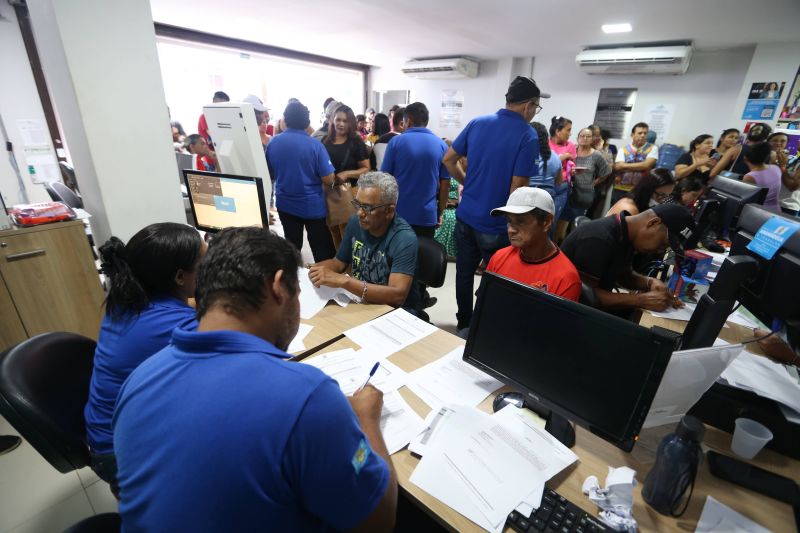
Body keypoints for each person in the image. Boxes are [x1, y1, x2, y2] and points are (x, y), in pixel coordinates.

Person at [113, 227, 397, 531]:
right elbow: (378, 523)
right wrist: (367, 419)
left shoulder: (139, 379)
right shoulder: (307, 397)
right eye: (298, 294)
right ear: (278, 287)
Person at [84, 223, 205, 495]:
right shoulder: (177, 325)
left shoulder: (128, 298)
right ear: (179, 277)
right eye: (204, 262)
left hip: (107, 433)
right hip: (120, 455)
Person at [442, 76, 546, 331]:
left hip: (466, 217)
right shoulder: (527, 135)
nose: (534, 113)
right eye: (536, 108)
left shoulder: (478, 123)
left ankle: (463, 322)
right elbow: (518, 188)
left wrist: (467, 182)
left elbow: (448, 159)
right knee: (495, 279)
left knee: (464, 274)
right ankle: (481, 327)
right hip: (496, 225)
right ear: (527, 105)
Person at [309, 172, 417, 309]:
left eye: (368, 208)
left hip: (393, 311)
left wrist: (345, 281)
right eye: (358, 204)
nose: (360, 213)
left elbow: (397, 296)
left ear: (389, 211)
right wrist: (314, 270)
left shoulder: (404, 239)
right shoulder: (356, 223)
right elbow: (339, 263)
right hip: (361, 300)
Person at [561, 203, 694, 313]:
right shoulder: (599, 239)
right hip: (566, 312)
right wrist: (641, 300)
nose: (661, 250)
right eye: (663, 244)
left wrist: (650, 283)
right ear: (653, 222)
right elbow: (584, 295)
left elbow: (623, 275)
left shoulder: (625, 234)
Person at [266, 101, 337, 261]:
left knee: (292, 247)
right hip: (312, 206)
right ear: (307, 121)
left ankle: (293, 280)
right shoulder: (315, 145)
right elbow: (328, 178)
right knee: (321, 249)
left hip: (285, 204)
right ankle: (323, 282)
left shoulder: (274, 142)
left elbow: (269, 172)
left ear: (286, 119)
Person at [487, 187, 581, 302]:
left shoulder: (566, 278)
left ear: (546, 222)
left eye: (521, 221)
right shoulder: (498, 258)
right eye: (509, 221)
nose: (511, 229)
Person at [381, 102, 449, 238]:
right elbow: (445, 186)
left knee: (398, 256)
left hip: (398, 215)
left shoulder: (395, 142)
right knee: (424, 256)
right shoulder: (441, 145)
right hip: (427, 216)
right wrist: (439, 212)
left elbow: (385, 179)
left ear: (408, 121)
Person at [323, 104, 371, 246]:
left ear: (351, 123)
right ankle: (340, 265)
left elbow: (366, 168)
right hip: (330, 192)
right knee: (334, 232)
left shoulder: (355, 141)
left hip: (351, 192)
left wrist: (347, 173)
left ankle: (350, 267)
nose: (341, 124)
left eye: (345, 121)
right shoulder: (326, 141)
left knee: (349, 235)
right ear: (332, 120)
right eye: (338, 120)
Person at [558, 127, 611, 238]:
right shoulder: (572, 150)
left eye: (588, 136)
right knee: (561, 223)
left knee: (576, 226)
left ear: (592, 139)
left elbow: (606, 171)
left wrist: (594, 183)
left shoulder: (596, 155)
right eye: (582, 136)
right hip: (568, 191)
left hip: (584, 194)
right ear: (577, 138)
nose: (585, 138)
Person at [612, 122, 659, 202]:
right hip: (620, 189)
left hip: (640, 190)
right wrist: (640, 166)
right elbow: (617, 167)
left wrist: (624, 165)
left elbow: (647, 165)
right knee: (616, 213)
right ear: (632, 135)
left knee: (634, 213)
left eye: (645, 133)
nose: (643, 135)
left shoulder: (652, 148)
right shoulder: (623, 149)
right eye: (640, 133)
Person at [528, 122, 564, 221]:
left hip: (526, 199)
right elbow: (559, 181)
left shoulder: (525, 153)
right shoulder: (555, 157)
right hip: (547, 201)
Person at [607, 168, 676, 217]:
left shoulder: (643, 205)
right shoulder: (629, 208)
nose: (662, 200)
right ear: (647, 188)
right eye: (661, 194)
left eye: (667, 195)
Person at [742, 142, 782, 211]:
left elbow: (745, 199)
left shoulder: (750, 176)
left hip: (760, 212)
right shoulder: (775, 168)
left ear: (745, 158)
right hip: (776, 210)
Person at [549, 116, 577, 186]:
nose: (570, 134)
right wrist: (565, 156)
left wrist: (573, 170)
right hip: (547, 183)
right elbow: (545, 164)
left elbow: (573, 166)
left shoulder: (571, 145)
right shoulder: (544, 144)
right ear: (558, 131)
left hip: (563, 184)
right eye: (568, 130)